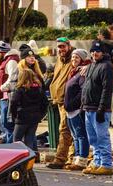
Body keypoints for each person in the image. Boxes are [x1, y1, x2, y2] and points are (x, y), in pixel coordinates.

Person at [81, 40, 113, 175]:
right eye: (93, 51)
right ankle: (97, 162)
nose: (95, 53)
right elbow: (86, 87)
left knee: (102, 137)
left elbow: (107, 90)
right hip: (88, 108)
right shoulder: (91, 66)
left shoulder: (107, 67)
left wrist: (102, 108)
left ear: (103, 53)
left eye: (98, 51)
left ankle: (106, 164)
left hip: (99, 109)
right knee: (93, 139)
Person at [47, 37, 75, 169]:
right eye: (59, 47)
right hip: (58, 99)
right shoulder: (60, 59)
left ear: (69, 46)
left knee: (65, 129)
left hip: (68, 100)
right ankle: (70, 157)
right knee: (68, 130)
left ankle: (61, 159)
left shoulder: (74, 59)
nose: (61, 49)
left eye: (63, 46)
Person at [63, 49, 91, 171]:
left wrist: (73, 104)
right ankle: (76, 159)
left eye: (77, 58)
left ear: (82, 60)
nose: (74, 60)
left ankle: (82, 161)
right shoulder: (73, 72)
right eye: (73, 57)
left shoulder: (82, 73)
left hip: (76, 110)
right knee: (75, 136)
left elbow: (82, 91)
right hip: (69, 110)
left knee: (81, 135)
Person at [10, 69, 48, 153]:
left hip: (21, 117)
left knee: (17, 140)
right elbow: (45, 102)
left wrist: (14, 115)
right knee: (29, 139)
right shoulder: (39, 89)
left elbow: (13, 102)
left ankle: (18, 162)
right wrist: (40, 114)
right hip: (34, 118)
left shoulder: (20, 89)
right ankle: (29, 164)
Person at [0, 40, 19, 144]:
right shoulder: (7, 60)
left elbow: (13, 79)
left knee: (8, 125)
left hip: (8, 97)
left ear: (1, 52)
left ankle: (10, 149)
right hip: (4, 98)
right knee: (4, 124)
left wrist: (2, 88)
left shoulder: (11, 61)